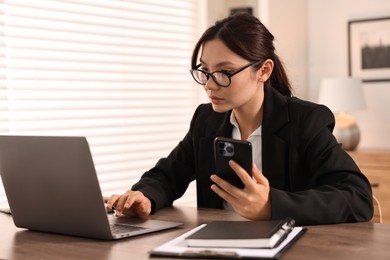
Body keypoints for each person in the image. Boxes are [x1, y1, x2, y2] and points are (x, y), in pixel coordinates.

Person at [105, 12, 373, 225]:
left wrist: (271, 206)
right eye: (205, 71)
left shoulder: (306, 121)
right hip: (216, 247)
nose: (210, 85)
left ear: (264, 71)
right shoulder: (206, 120)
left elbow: (358, 197)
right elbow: (168, 174)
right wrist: (144, 196)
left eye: (224, 72)